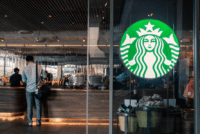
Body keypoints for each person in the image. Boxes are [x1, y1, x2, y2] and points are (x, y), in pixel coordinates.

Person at [22, 56, 46, 127]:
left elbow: (23, 80)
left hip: (29, 89)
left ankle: (30, 122)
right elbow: (44, 77)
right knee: (38, 105)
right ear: (33, 60)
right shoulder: (39, 67)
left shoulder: (25, 68)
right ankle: (38, 122)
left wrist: (29, 82)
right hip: (37, 89)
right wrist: (40, 83)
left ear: (27, 61)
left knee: (29, 105)